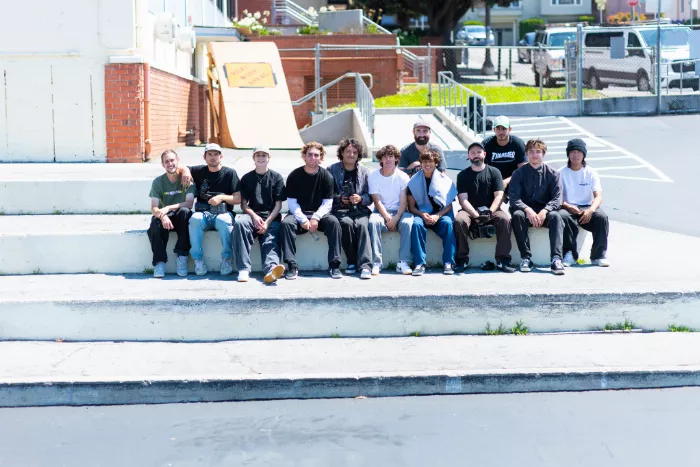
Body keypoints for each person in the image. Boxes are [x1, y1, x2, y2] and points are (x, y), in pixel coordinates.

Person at [280, 142, 343, 280]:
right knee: (286, 224)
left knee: (334, 223)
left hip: (320, 215)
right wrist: (302, 219)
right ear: (304, 156)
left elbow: (328, 203)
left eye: (316, 155)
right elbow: (291, 202)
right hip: (298, 214)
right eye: (310, 155)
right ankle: (291, 266)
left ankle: (334, 265)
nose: (313, 158)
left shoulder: (327, 176)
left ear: (321, 158)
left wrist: (315, 217)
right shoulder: (294, 175)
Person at [454, 142, 515, 273]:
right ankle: (461, 260)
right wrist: (475, 215)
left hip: (491, 209)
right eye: (473, 153)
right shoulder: (462, 175)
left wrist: (490, 211)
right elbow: (463, 199)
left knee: (505, 220)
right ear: (468, 156)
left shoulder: (494, 172)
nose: (476, 155)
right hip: (469, 210)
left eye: (479, 152)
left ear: (484, 154)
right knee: (459, 221)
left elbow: (499, 195)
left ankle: (503, 260)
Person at [181, 143, 241, 276]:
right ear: (204, 157)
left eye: (216, 154)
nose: (213, 157)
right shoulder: (199, 171)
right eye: (210, 154)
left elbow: (238, 198)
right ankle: (198, 260)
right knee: (195, 219)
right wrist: (185, 171)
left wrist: (221, 197)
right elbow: (182, 166)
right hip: (203, 213)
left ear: (221, 156)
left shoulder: (230, 173)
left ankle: (227, 259)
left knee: (223, 220)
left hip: (224, 212)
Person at [509, 139, 565, 275]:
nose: (535, 155)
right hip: (526, 212)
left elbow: (558, 198)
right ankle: (526, 258)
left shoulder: (553, 174)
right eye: (531, 152)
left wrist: (544, 211)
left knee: (557, 217)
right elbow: (514, 197)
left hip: (545, 212)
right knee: (517, 216)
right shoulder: (518, 174)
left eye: (538, 152)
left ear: (543, 154)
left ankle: (556, 259)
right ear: (527, 154)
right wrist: (527, 210)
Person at [233, 146, 287, 284]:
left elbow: (278, 205)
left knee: (270, 239)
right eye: (258, 155)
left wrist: (267, 222)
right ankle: (243, 269)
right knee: (240, 223)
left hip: (270, 217)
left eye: (264, 155)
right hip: (252, 216)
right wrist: (254, 216)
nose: (261, 158)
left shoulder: (276, 177)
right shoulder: (246, 178)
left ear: (269, 157)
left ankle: (271, 269)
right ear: (253, 158)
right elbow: (244, 204)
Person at [559, 138, 610, 267]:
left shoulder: (591, 172)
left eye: (579, 152)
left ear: (583, 154)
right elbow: (558, 197)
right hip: (568, 206)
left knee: (602, 217)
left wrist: (591, 210)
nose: (575, 155)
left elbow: (598, 196)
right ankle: (569, 254)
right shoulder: (561, 173)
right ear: (568, 154)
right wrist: (569, 207)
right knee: (564, 217)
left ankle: (598, 255)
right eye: (572, 152)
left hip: (587, 207)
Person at [327, 138, 373, 279]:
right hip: (340, 210)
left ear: (359, 154)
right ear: (341, 152)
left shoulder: (366, 171)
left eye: (355, 152)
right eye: (348, 151)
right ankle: (352, 262)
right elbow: (327, 193)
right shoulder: (331, 169)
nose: (351, 154)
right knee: (346, 224)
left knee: (362, 226)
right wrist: (340, 198)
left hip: (360, 210)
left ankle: (365, 265)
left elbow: (370, 196)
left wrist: (360, 199)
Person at [407, 149, 458, 276]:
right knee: (416, 225)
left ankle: (448, 262)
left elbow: (449, 205)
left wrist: (437, 215)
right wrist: (422, 214)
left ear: (436, 163)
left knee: (448, 224)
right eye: (424, 161)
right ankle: (419, 263)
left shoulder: (445, 180)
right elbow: (411, 207)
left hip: (440, 215)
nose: (427, 164)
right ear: (420, 163)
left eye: (430, 161)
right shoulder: (413, 181)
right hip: (421, 214)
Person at [147, 149, 195, 278]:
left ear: (178, 161)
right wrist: (163, 216)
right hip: (165, 216)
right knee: (155, 223)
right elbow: (154, 208)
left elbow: (189, 203)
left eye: (172, 160)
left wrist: (168, 208)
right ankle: (159, 262)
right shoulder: (158, 182)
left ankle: (182, 256)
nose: (170, 164)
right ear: (163, 165)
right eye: (166, 161)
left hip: (179, 215)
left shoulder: (186, 178)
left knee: (186, 213)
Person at [368, 145, 413, 275]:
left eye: (391, 156)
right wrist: (388, 217)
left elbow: (404, 201)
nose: (388, 159)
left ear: (396, 159)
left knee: (407, 223)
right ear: (380, 159)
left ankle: (403, 262)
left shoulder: (403, 176)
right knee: (373, 222)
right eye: (385, 156)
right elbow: (377, 201)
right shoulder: (373, 176)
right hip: (381, 212)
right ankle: (377, 262)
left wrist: (396, 217)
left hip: (400, 211)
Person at [482, 115, 527, 193]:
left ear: (510, 129)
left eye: (504, 129)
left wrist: (506, 181)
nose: (501, 132)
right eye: (498, 129)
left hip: (513, 179)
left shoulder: (518, 143)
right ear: (494, 130)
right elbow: (481, 168)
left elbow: (523, 169)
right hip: (493, 180)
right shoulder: (486, 144)